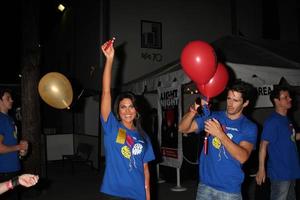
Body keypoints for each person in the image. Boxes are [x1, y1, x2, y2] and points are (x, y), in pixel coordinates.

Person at [178, 81, 257, 200]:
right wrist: (193, 111)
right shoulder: (213, 116)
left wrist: (220, 134)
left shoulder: (248, 126)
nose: (230, 104)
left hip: (230, 190)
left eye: (236, 100)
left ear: (245, 103)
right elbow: (182, 128)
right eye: (229, 98)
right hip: (205, 186)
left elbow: (243, 156)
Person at [99, 39, 155, 200]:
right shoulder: (112, 128)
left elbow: (145, 170)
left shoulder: (144, 136)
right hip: (114, 193)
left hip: (138, 194)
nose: (127, 111)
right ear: (118, 110)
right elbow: (106, 93)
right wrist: (109, 60)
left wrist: (148, 196)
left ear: (136, 110)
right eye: (123, 107)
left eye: (131, 106)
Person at [256, 85, 300, 200]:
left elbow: (292, 137)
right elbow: (263, 145)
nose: (290, 99)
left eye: (289, 97)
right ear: (277, 101)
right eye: (285, 97)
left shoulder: (286, 120)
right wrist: (261, 169)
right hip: (280, 172)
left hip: (291, 170)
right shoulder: (272, 121)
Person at [0, 88, 29, 200]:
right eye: (8, 98)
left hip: (13, 169)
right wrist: (19, 147)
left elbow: (14, 148)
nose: (12, 100)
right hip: (4, 172)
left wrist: (22, 151)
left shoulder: (10, 119)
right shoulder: (0, 119)